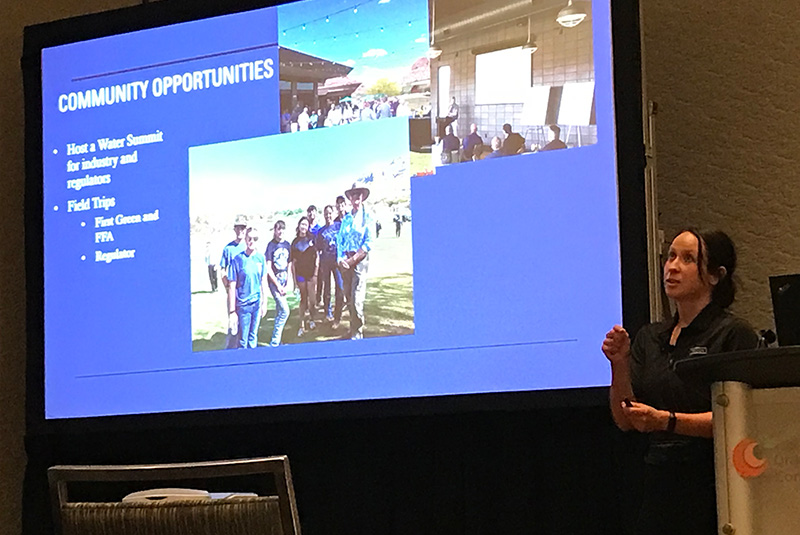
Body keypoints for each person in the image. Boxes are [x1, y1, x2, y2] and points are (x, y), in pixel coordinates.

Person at [602, 228, 758, 535]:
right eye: (671, 256)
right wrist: (619, 365)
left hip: (713, 481)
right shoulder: (650, 337)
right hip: (658, 481)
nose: (672, 266)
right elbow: (624, 419)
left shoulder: (732, 334)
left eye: (688, 259)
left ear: (715, 275)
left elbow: (739, 418)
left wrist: (666, 421)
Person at [336, 180, 374, 340]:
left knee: (357, 299)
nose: (355, 198)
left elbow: (368, 243)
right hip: (345, 262)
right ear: (350, 198)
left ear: (362, 197)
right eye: (353, 196)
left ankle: (357, 334)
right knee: (349, 298)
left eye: (358, 195)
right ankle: (354, 328)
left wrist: (351, 260)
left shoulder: (368, 216)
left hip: (359, 261)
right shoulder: (347, 218)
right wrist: (340, 258)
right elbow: (340, 240)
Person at [226, 227, 267, 349]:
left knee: (253, 337)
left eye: (255, 239)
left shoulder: (261, 258)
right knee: (243, 341)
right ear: (245, 239)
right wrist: (232, 311)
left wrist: (264, 303)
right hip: (243, 306)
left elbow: (263, 281)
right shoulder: (238, 260)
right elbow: (232, 286)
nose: (252, 241)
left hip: (256, 304)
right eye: (250, 238)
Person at [220, 219, 247, 348]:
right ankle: (229, 351)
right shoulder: (228, 249)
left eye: (243, 228)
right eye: (238, 228)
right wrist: (227, 287)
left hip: (246, 293)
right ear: (234, 229)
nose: (240, 231)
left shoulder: (248, 247)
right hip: (233, 292)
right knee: (233, 325)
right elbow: (222, 271)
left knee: (245, 324)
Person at [317, 205, 344, 327]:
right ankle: (327, 313)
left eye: (330, 213)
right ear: (323, 215)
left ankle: (337, 316)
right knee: (326, 289)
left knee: (340, 288)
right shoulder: (321, 231)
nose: (328, 216)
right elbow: (318, 249)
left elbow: (344, 242)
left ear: (333, 214)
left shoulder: (339, 227)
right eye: (326, 213)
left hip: (337, 263)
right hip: (325, 263)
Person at [265, 220, 291, 346]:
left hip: (284, 279)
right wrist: (278, 286)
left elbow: (289, 264)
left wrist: (288, 282)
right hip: (274, 282)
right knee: (285, 311)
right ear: (274, 230)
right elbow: (268, 268)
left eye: (282, 229)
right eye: (278, 229)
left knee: (279, 311)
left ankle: (279, 340)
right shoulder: (271, 246)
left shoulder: (287, 245)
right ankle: (274, 343)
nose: (280, 231)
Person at [291, 216, 318, 337]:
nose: (303, 227)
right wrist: (294, 282)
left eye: (306, 225)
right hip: (300, 275)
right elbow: (293, 263)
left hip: (311, 274)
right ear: (299, 226)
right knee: (303, 300)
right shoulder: (295, 242)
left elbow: (317, 257)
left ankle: (312, 319)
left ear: (308, 227)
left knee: (312, 300)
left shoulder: (312, 239)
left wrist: (316, 273)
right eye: (302, 224)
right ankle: (301, 325)